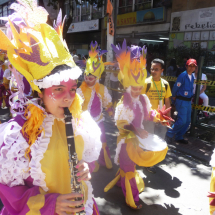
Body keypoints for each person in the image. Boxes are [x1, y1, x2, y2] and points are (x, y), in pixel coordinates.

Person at [0, 3, 101, 215]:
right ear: (42, 91)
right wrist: (49, 204)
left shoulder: (77, 121)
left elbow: (82, 162)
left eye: (72, 89)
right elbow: (9, 192)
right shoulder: (20, 132)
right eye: (58, 89)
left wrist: (85, 168)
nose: (69, 97)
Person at [105, 40, 171, 210]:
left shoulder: (143, 99)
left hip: (138, 139)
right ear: (127, 85)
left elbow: (149, 114)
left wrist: (159, 116)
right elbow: (121, 125)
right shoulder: (123, 104)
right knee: (128, 168)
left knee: (130, 166)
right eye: (133, 87)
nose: (136, 90)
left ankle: (122, 184)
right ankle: (132, 200)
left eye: (139, 87)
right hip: (127, 141)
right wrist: (136, 129)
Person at [77, 41, 114, 171]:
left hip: (98, 119)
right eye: (86, 76)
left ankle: (104, 160)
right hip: (85, 122)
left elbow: (106, 101)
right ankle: (91, 163)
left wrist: (110, 110)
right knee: (88, 142)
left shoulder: (102, 89)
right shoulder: (80, 90)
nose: (87, 79)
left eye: (91, 77)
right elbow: (76, 105)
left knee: (102, 139)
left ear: (97, 77)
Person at [142, 58, 172, 173]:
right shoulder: (146, 83)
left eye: (156, 69)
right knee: (149, 140)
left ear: (162, 70)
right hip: (148, 118)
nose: (153, 71)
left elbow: (167, 101)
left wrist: (167, 118)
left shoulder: (165, 84)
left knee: (159, 140)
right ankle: (148, 163)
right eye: (152, 69)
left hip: (161, 119)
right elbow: (141, 100)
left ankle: (152, 161)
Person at [165, 59, 197, 145]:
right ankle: (169, 134)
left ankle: (179, 136)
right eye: (190, 65)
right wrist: (173, 99)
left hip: (188, 102)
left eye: (193, 66)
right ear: (186, 66)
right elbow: (175, 87)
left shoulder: (192, 76)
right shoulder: (182, 76)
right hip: (181, 100)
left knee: (187, 121)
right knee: (182, 121)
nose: (191, 67)